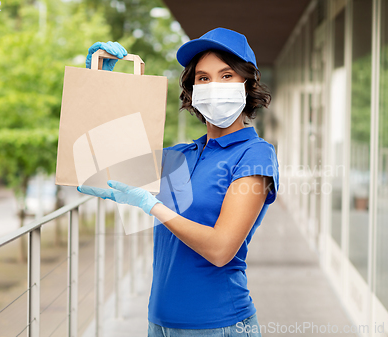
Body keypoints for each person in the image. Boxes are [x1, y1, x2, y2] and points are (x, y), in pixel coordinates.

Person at [79, 27, 279, 336]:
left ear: (247, 84)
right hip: (160, 323)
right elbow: (89, 171)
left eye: (226, 76)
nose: (214, 85)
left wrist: (152, 205)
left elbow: (221, 249)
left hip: (218, 325)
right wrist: (102, 87)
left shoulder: (255, 155)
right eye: (203, 78)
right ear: (193, 89)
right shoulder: (181, 156)